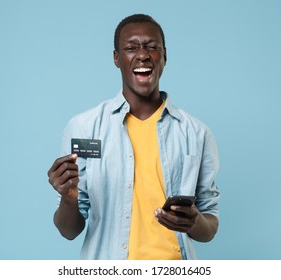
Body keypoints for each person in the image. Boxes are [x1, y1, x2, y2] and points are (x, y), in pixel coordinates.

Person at [47, 14, 220, 260]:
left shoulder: (197, 134)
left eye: (152, 47)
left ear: (165, 57)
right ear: (117, 58)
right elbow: (68, 231)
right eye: (131, 48)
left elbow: (209, 228)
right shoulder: (84, 128)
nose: (143, 55)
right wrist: (68, 197)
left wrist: (193, 222)